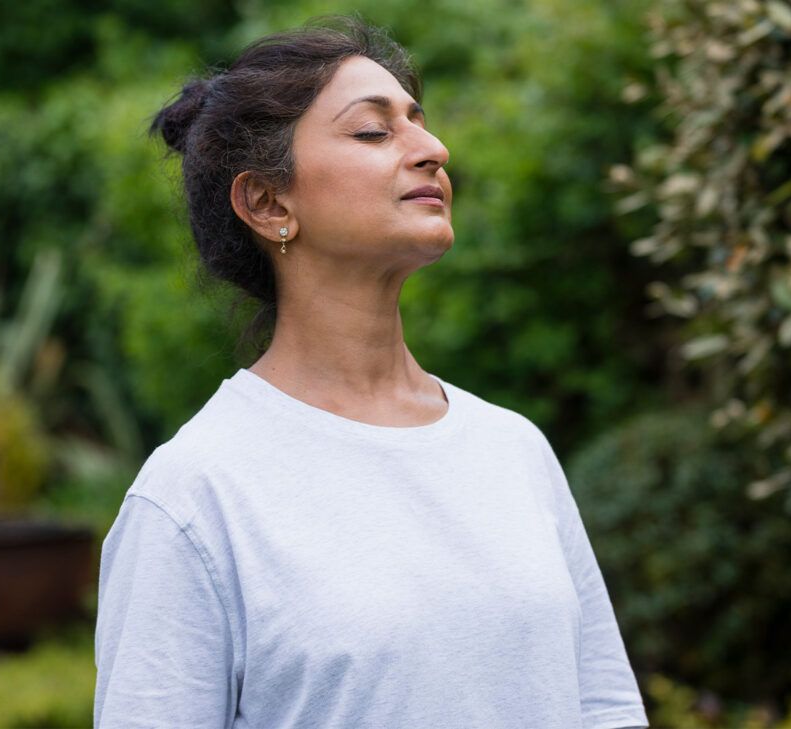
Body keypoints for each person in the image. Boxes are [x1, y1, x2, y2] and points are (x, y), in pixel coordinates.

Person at [93, 15, 649, 729]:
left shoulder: (514, 449)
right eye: (373, 131)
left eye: (420, 123)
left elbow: (603, 707)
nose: (434, 150)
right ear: (268, 202)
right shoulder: (197, 494)